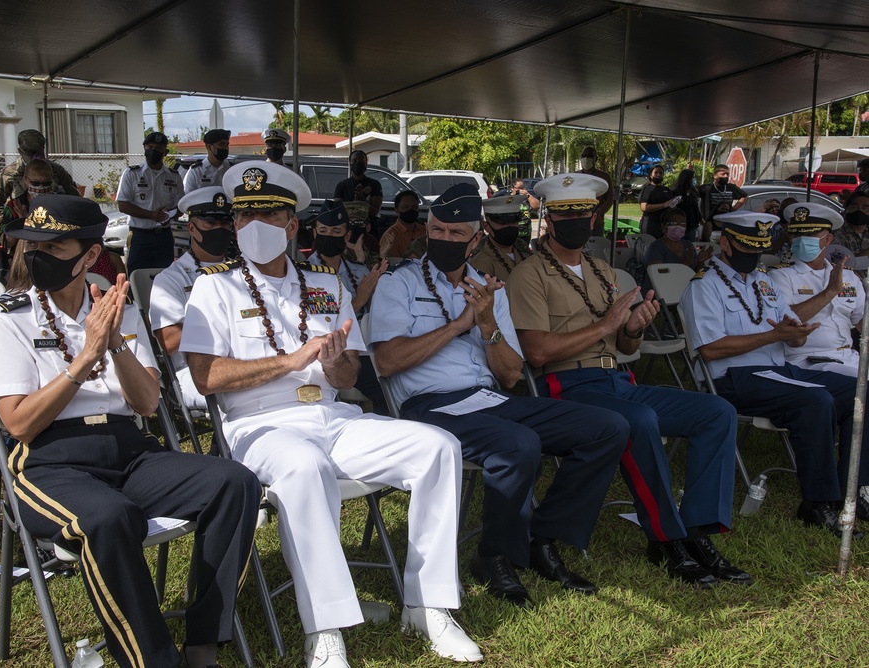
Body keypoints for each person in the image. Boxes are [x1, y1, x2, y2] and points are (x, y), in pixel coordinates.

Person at [182, 162, 483, 667]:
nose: (253, 228)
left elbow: (347, 379)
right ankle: (324, 629)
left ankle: (428, 605)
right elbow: (206, 377)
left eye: (269, 216)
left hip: (331, 415)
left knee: (438, 448)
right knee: (305, 467)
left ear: (292, 224)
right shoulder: (215, 288)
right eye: (243, 218)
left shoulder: (326, 284)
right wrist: (291, 360)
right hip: (258, 426)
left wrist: (337, 359)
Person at [0, 194, 260, 668]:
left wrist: (115, 346)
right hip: (50, 461)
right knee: (109, 517)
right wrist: (85, 357)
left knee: (234, 483)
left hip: (129, 449)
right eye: (31, 246)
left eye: (53, 247)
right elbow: (20, 423)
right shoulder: (10, 317)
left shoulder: (117, 308)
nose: (35, 256)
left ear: (89, 255)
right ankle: (152, 660)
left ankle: (203, 643)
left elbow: (146, 403)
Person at [369, 183, 628, 605]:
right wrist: (458, 325)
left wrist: (487, 324)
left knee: (607, 427)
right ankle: (494, 555)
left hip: (490, 398)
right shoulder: (398, 284)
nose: (445, 240)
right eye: (438, 231)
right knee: (518, 444)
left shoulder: (491, 291)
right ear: (427, 232)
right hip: (427, 405)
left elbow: (509, 376)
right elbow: (387, 362)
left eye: (456, 234)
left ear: (475, 240)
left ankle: (542, 538)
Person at [507, 174, 748, 588]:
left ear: (595, 216)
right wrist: (607, 323)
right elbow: (538, 353)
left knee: (716, 412)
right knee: (639, 421)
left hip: (617, 380)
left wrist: (634, 326)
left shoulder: (604, 270)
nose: (576, 221)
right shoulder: (529, 274)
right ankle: (666, 539)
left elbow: (626, 346)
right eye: (566, 214)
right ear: (548, 219)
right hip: (566, 387)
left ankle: (697, 529)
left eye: (584, 213)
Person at [682, 209, 869, 533]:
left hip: (776, 369)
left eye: (758, 248)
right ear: (726, 244)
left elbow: (790, 331)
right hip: (732, 378)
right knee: (816, 400)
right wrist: (774, 336)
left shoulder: (761, 281)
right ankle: (817, 502)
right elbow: (711, 349)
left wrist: (797, 333)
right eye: (747, 247)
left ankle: (855, 489)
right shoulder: (704, 285)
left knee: (860, 391)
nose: (754, 254)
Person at [150, 186, 235, 409]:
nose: (220, 229)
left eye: (225, 223)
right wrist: (220, 314)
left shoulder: (242, 270)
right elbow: (168, 341)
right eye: (210, 223)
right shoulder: (171, 279)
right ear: (192, 228)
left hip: (246, 358)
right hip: (194, 369)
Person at [307, 200, 390, 415]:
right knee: (382, 391)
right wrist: (358, 301)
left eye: (336, 231)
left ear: (346, 237)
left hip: (364, 352)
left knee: (393, 387)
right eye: (323, 230)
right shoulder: (303, 275)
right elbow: (322, 324)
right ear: (315, 234)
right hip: (329, 356)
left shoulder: (357, 272)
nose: (329, 235)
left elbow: (376, 312)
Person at [768, 202, 862, 377]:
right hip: (806, 362)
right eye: (797, 234)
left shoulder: (847, 276)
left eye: (810, 234)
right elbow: (786, 320)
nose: (802, 239)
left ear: (828, 240)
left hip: (849, 357)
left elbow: (862, 322)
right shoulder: (780, 276)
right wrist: (830, 292)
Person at [115, 132, 185, 274]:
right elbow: (123, 205)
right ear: (145, 148)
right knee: (137, 276)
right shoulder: (131, 173)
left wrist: (169, 215)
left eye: (158, 148)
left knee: (164, 277)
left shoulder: (174, 176)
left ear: (165, 152)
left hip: (164, 237)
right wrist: (152, 215)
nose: (153, 151)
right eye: (150, 147)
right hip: (140, 237)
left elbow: (180, 206)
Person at [0, 129, 79, 234]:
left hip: (52, 229)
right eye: (30, 153)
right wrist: (1, 229)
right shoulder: (9, 174)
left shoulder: (57, 170)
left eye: (38, 151)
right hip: (21, 231)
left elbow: (74, 197)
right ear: (20, 151)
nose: (35, 156)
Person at [468, 194, 532, 280]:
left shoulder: (522, 249)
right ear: (486, 226)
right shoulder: (481, 262)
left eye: (513, 222)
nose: (509, 227)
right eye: (502, 223)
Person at [333, 150, 383, 236]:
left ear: (366, 163)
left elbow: (374, 211)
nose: (357, 163)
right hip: (347, 230)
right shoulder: (342, 185)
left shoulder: (375, 184)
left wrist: (362, 199)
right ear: (350, 163)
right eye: (354, 161)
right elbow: (338, 211)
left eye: (361, 161)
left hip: (368, 231)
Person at [643, 209, 711, 271]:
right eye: (673, 223)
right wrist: (685, 263)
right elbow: (658, 275)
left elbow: (698, 273)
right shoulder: (656, 247)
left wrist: (701, 262)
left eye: (682, 224)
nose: (678, 227)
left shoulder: (688, 245)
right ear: (663, 226)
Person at [578, 147, 615, 236]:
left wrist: (600, 211)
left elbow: (610, 198)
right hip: (578, 219)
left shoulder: (603, 177)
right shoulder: (575, 176)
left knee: (595, 245)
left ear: (595, 159)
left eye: (590, 156)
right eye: (584, 155)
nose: (586, 158)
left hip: (596, 220)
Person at [183, 129, 232, 194]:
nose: (225, 148)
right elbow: (187, 198)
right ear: (209, 147)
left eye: (227, 144)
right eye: (221, 144)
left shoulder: (231, 169)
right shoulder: (196, 171)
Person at [378, 190, 424, 259]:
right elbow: (392, 264)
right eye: (405, 207)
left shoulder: (426, 231)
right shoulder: (390, 236)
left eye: (414, 207)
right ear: (396, 210)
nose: (410, 210)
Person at [638, 165, 676, 238]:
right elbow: (644, 207)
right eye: (656, 173)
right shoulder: (648, 189)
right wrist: (663, 205)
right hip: (651, 223)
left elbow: (670, 205)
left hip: (664, 223)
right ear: (650, 175)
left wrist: (674, 202)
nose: (658, 175)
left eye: (660, 173)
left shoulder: (666, 189)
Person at [670, 169, 704, 240]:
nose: (694, 180)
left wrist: (701, 221)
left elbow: (696, 209)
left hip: (692, 226)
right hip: (679, 225)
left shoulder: (693, 192)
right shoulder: (675, 192)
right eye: (693, 178)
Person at [836, 191, 869, 258]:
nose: (859, 211)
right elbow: (839, 263)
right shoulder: (838, 234)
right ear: (847, 209)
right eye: (854, 207)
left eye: (864, 208)